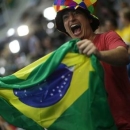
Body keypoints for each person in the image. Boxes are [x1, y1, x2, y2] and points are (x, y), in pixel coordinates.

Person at [53, 0, 130, 129]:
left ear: (89, 19)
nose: (71, 19)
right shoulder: (67, 60)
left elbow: (124, 56)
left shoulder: (108, 37)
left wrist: (98, 54)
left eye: (76, 13)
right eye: (66, 17)